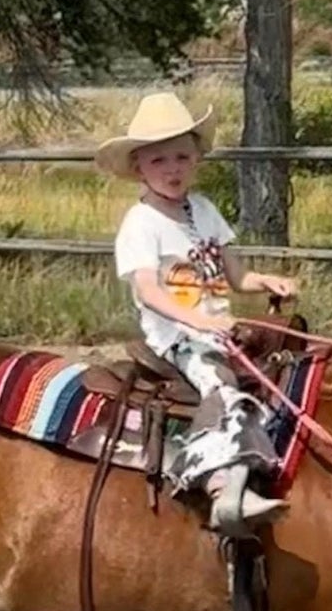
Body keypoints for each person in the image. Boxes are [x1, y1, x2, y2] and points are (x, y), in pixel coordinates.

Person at [98, 92, 298, 534]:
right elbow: (148, 291)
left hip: (217, 331)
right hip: (176, 336)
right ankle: (221, 487)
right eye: (159, 161)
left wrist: (264, 281)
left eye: (181, 157)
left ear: (196, 160)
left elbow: (235, 275)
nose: (172, 169)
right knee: (221, 386)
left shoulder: (203, 211)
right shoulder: (141, 224)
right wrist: (200, 321)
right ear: (140, 168)